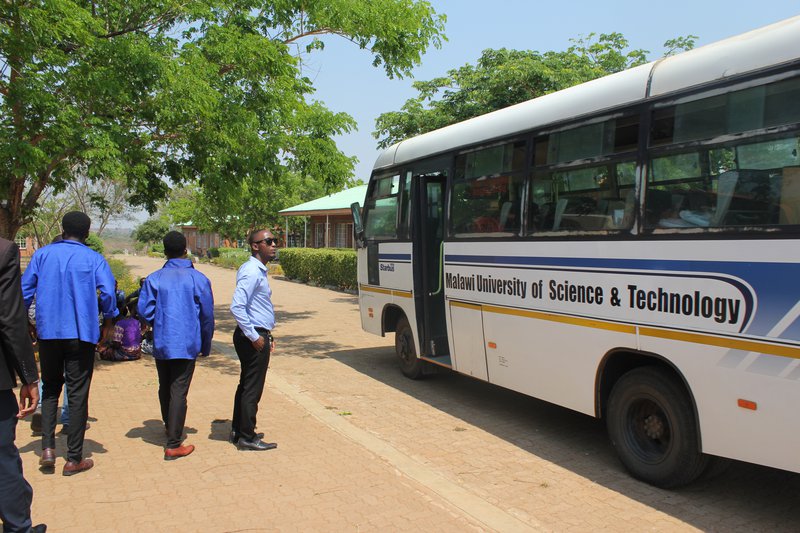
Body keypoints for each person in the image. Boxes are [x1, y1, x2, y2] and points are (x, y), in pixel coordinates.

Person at [21, 211, 119, 476]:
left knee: (50, 388)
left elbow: (24, 290)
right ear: (87, 234)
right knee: (77, 393)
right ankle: (74, 458)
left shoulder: (42, 255)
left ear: (63, 230)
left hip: (48, 333)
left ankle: (48, 449)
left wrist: (28, 323)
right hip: (81, 334)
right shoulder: (93, 258)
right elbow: (109, 293)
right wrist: (108, 320)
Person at [138, 231, 214, 460]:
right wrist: (206, 343)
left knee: (165, 385)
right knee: (179, 390)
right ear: (186, 249)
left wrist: (158, 320)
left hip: (163, 340)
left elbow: (143, 311)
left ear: (165, 251)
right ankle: (174, 442)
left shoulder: (155, 278)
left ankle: (168, 425)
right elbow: (207, 316)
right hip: (187, 341)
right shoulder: (198, 279)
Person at [0, 238, 46, 532]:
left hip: (50, 335)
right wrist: (28, 376)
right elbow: (9, 318)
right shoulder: (3, 251)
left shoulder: (40, 259)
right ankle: (18, 527)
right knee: (2, 458)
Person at [229, 229, 279, 451]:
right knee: (252, 389)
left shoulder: (257, 270)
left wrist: (268, 335)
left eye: (274, 241)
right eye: (268, 241)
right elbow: (237, 306)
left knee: (246, 385)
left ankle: (239, 431)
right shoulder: (251, 271)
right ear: (255, 246)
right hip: (251, 336)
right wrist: (255, 336)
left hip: (257, 333)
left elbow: (257, 308)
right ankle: (247, 438)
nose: (274, 244)